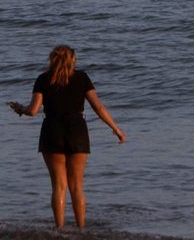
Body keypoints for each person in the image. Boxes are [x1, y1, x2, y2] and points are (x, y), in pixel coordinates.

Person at [10, 45, 125, 228]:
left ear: (52, 59)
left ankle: (60, 230)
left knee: (58, 186)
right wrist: (115, 128)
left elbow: (33, 110)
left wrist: (20, 109)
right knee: (77, 186)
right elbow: (98, 107)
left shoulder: (43, 79)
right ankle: (81, 229)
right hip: (77, 130)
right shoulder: (81, 77)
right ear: (73, 60)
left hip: (52, 131)